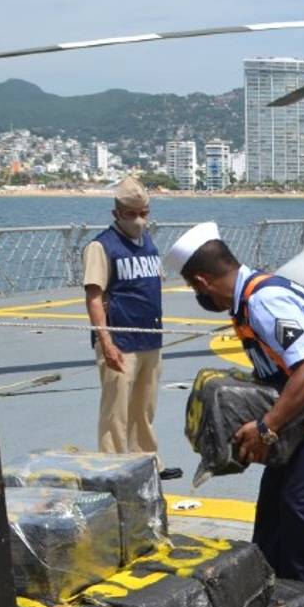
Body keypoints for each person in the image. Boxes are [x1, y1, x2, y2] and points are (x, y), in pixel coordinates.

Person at [165, 222, 304, 607]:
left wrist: (267, 427)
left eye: (196, 288)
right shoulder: (250, 297)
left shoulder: (265, 301)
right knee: (274, 502)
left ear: (202, 280)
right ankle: (272, 588)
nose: (198, 295)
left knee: (302, 502)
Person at [82, 177, 180, 480]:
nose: (139, 220)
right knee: (116, 412)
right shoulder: (102, 246)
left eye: (144, 213)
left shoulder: (148, 241)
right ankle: (112, 467)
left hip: (150, 338)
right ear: (116, 214)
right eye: (132, 214)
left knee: (144, 408)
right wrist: (106, 342)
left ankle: (147, 461)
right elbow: (94, 297)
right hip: (121, 340)